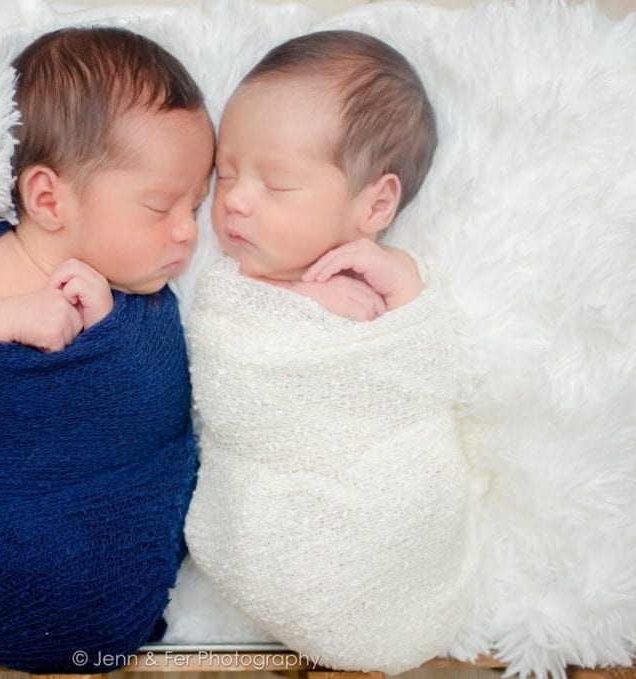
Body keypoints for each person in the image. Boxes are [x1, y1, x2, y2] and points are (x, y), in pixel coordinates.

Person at [0, 26, 213, 673]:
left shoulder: (143, 303)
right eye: (160, 206)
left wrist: (108, 340)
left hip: (110, 582)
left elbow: (165, 410)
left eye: (197, 204)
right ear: (48, 198)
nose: (187, 232)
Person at [182, 30, 479, 675]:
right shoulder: (230, 293)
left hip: (391, 500)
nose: (233, 198)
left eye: (277, 183)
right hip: (273, 518)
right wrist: (292, 294)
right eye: (226, 173)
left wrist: (403, 291)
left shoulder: (398, 282)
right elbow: (237, 385)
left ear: (375, 204)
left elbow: (432, 377)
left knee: (420, 483)